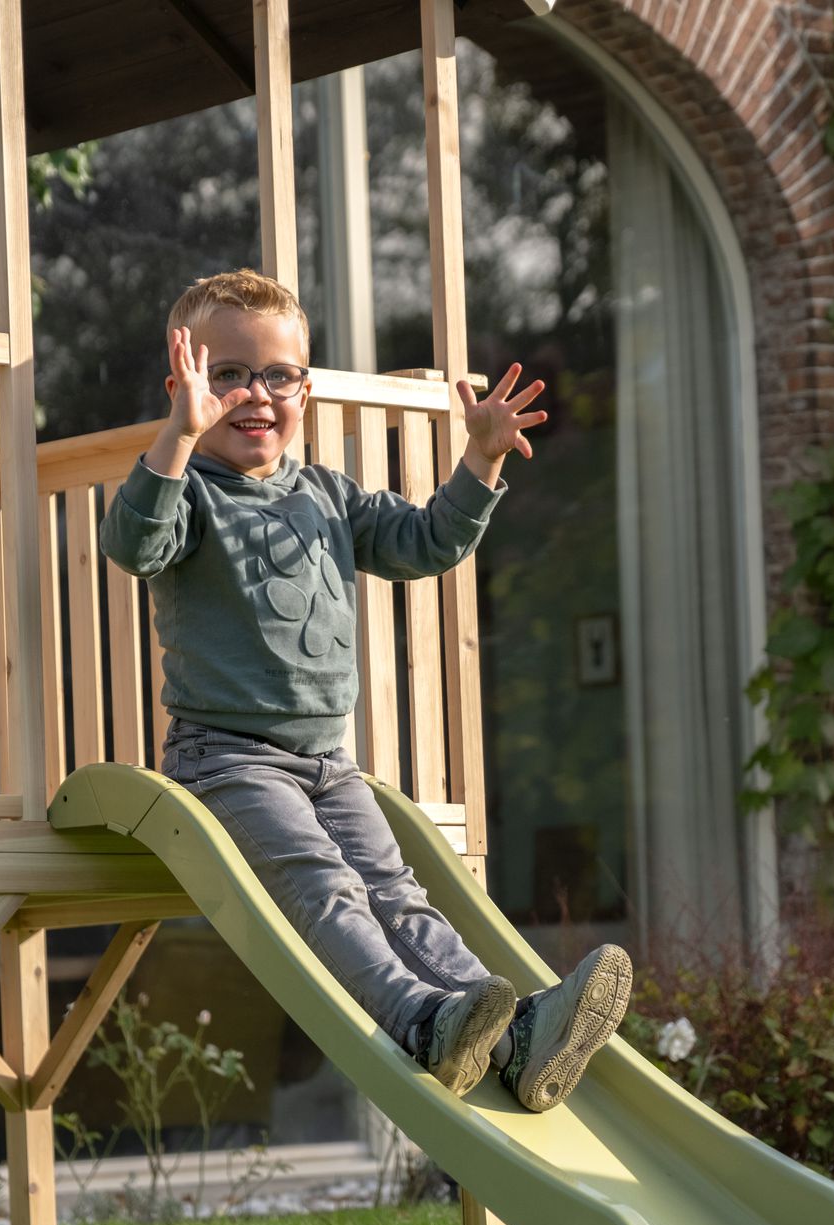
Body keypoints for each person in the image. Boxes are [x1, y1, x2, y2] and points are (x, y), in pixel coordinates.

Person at [99, 269, 633, 1110]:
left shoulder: (326, 495)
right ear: (186, 386)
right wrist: (175, 438)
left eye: (276, 375)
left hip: (326, 763)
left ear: (303, 391)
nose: (253, 394)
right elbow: (136, 543)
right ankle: (423, 1020)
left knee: (400, 895)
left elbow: (424, 542)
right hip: (229, 761)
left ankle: (515, 1033)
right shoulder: (192, 493)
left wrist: (481, 459)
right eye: (227, 373)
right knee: (327, 886)